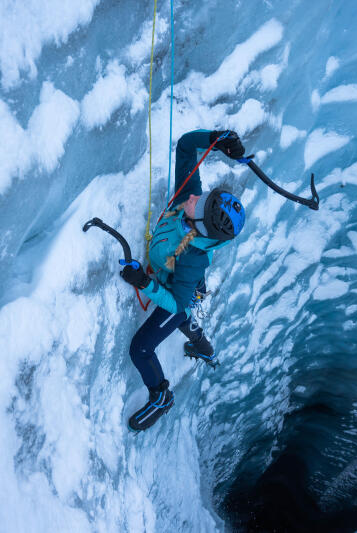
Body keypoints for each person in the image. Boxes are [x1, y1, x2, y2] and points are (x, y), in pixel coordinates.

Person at [119, 129, 247, 431]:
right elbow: (186, 147)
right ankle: (202, 345)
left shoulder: (192, 257)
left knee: (142, 348)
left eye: (199, 203)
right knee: (186, 296)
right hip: (184, 281)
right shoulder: (189, 200)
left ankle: (161, 396)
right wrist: (217, 138)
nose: (193, 195)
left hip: (179, 294)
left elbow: (175, 303)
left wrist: (144, 283)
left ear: (201, 226)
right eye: (203, 197)